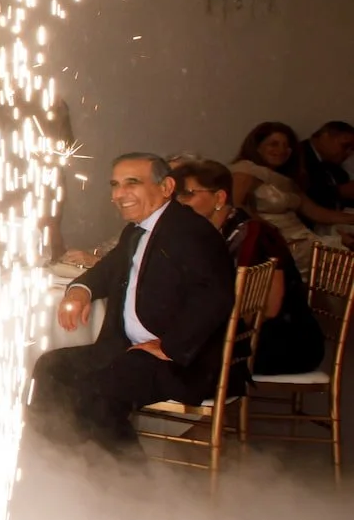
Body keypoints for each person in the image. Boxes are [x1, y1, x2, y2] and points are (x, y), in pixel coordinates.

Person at [32, 152, 239, 449]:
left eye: (132, 183)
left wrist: (170, 345)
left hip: (179, 362)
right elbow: (106, 270)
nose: (119, 194)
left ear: (166, 187)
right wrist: (80, 290)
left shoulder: (190, 232)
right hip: (127, 348)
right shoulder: (138, 230)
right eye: (115, 185)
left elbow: (216, 297)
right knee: (53, 368)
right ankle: (57, 462)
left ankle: (130, 486)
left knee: (98, 393)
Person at [174, 157, 325, 376]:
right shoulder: (210, 235)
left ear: (219, 197)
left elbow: (269, 309)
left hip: (283, 343)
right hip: (239, 335)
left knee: (169, 357)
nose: (179, 201)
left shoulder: (255, 235)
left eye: (188, 193)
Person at [231, 122, 354, 266]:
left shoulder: (286, 179)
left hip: (304, 238)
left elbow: (317, 212)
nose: (281, 150)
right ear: (257, 146)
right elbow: (235, 207)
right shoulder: (245, 171)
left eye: (286, 146)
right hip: (281, 244)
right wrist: (268, 232)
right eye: (274, 144)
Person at [300, 120, 354, 214]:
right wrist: (339, 191)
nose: (348, 153)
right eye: (345, 146)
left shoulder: (334, 165)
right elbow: (301, 195)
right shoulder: (299, 156)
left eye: (352, 149)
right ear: (325, 136)